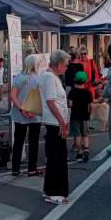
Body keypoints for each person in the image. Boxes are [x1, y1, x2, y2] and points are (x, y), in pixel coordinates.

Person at [40, 50, 72, 204]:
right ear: (59, 64)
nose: (67, 68)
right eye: (65, 65)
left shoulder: (52, 77)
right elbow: (51, 102)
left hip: (56, 122)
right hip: (54, 123)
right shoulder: (50, 78)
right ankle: (53, 192)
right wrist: (62, 122)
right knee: (56, 157)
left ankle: (50, 189)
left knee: (56, 156)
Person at [9, 54, 43, 177]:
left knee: (18, 141)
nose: (39, 65)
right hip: (35, 113)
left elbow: (13, 96)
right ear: (33, 64)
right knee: (33, 142)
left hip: (20, 114)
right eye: (38, 63)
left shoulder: (19, 77)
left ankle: (15, 168)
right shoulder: (39, 78)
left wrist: (22, 109)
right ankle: (32, 169)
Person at [68, 71, 94, 162]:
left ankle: (79, 153)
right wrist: (89, 113)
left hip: (75, 116)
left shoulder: (72, 92)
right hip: (85, 116)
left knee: (77, 135)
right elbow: (91, 106)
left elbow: (70, 104)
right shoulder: (88, 93)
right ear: (85, 81)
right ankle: (86, 149)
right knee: (85, 134)